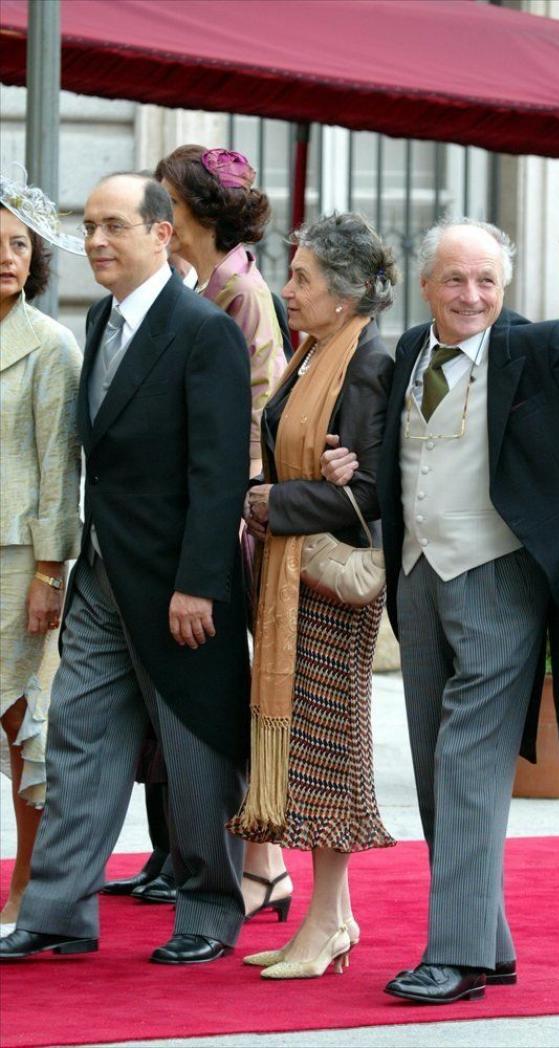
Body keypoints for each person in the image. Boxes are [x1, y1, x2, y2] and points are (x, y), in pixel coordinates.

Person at [321, 208, 559, 1003]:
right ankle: (488, 942)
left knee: (468, 759)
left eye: (487, 280)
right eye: (456, 278)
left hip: (501, 574)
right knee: (437, 764)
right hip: (421, 575)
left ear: (505, 288)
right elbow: (403, 456)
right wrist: (349, 464)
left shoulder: (539, 349)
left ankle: (457, 957)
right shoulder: (404, 353)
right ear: (427, 284)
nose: (472, 294)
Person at [0, 172, 252, 965]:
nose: (98, 241)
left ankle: (209, 912)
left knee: (194, 751)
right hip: (105, 579)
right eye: (90, 225)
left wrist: (198, 583)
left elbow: (219, 474)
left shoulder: (204, 330)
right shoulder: (102, 317)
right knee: (76, 739)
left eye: (115, 226)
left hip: (180, 588)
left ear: (161, 234)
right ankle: (57, 914)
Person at [106, 144, 291, 917]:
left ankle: (252, 859)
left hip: (227, 511)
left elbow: (245, 420)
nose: (158, 211)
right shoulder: (197, 283)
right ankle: (177, 851)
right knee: (166, 686)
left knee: (206, 685)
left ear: (193, 215)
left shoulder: (238, 292)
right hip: (185, 504)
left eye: (167, 201)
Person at [228, 212, 398, 979]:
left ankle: (326, 924)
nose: (286, 289)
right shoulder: (315, 349)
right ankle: (336, 918)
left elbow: (369, 491)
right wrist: (277, 495)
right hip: (293, 578)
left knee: (329, 759)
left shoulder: (365, 361)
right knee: (311, 755)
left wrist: (274, 505)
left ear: (347, 294)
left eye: (302, 279)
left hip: (328, 588)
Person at [0, 175, 84, 934]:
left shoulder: (52, 345)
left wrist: (50, 572)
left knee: (26, 731)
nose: (6, 256)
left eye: (19, 244)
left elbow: (62, 469)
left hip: (17, 565)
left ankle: (32, 888)